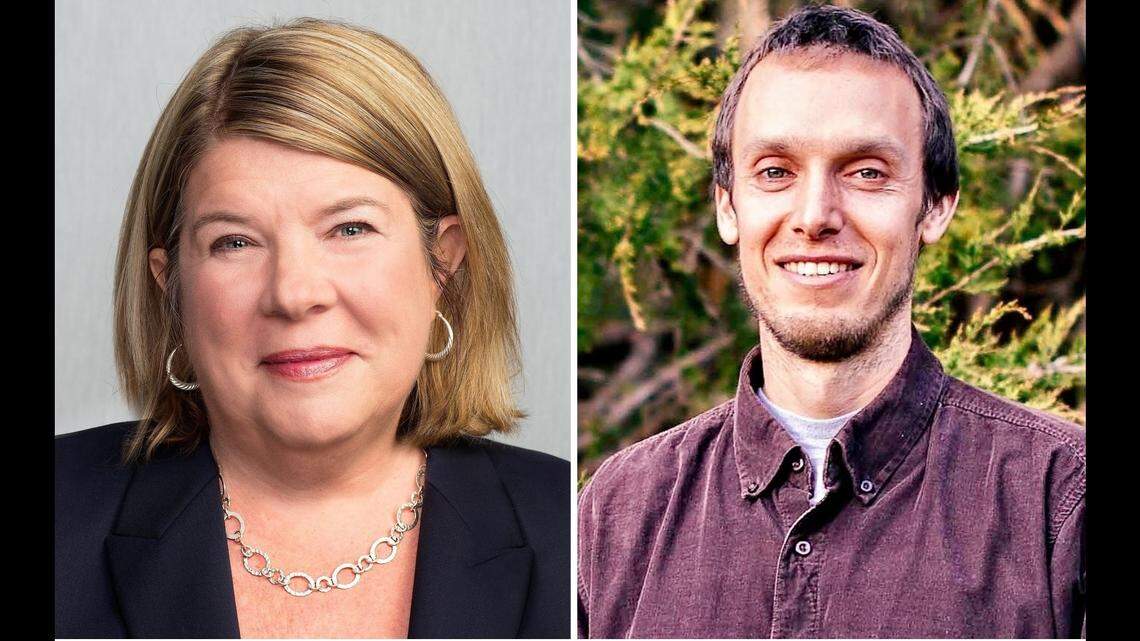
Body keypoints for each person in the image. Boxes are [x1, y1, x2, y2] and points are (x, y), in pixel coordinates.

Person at [577, 6, 1084, 638]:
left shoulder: (1059, 503)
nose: (815, 214)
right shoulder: (618, 515)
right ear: (728, 208)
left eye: (866, 172)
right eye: (775, 172)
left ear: (935, 207)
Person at [56, 18, 568, 639]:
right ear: (173, 285)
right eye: (235, 242)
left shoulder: (572, 528)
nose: (294, 294)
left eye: (349, 229)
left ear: (444, 259)